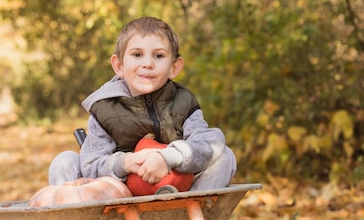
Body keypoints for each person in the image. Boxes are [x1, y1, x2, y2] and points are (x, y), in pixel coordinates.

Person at [48, 17, 236, 194]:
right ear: (119, 65)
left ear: (174, 67)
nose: (147, 63)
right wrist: (125, 162)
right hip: (119, 197)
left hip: (177, 187)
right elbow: (91, 165)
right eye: (137, 54)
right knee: (65, 161)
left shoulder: (183, 102)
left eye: (159, 56)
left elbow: (208, 142)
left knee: (225, 156)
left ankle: (189, 217)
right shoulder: (104, 107)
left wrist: (169, 158)